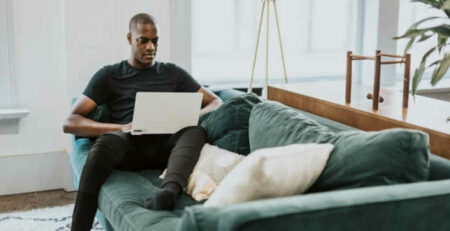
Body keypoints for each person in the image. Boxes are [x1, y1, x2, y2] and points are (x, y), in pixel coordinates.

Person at [63, 13, 222, 231]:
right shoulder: (109, 75)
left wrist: (190, 116)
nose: (151, 48)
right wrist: (119, 127)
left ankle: (168, 192)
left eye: (155, 41)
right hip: (128, 146)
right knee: (104, 144)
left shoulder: (173, 73)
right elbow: (70, 121)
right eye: (143, 41)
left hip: (166, 149)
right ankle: (78, 227)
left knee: (195, 131)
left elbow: (215, 102)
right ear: (130, 38)